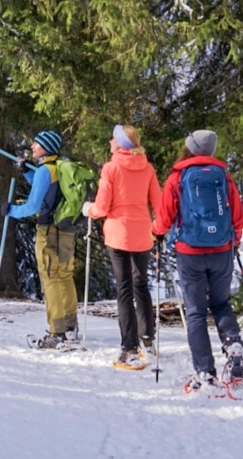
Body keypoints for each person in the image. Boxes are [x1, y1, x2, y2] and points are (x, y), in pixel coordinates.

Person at [151, 129, 243, 392]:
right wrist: (234, 241)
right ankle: (234, 347)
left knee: (196, 312)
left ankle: (205, 372)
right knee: (221, 303)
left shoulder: (178, 177)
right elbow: (237, 216)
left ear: (190, 148)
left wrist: (157, 233)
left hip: (190, 252)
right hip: (221, 251)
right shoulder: (224, 177)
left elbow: (164, 217)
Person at [82, 124, 162, 369]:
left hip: (118, 235)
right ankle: (147, 340)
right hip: (142, 234)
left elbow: (103, 206)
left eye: (113, 138)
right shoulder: (147, 168)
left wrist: (89, 210)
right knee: (141, 285)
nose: (109, 141)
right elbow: (158, 204)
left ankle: (129, 346)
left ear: (120, 144)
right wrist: (159, 228)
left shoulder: (111, 168)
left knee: (124, 288)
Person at [2, 130, 79, 348]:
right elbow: (47, 188)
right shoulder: (59, 166)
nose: (33, 146)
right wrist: (27, 171)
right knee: (65, 275)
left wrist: (10, 210)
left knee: (50, 279)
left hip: (48, 231)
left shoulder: (45, 170)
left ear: (46, 147)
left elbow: (33, 205)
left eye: (36, 143)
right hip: (66, 229)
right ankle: (71, 327)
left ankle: (57, 332)